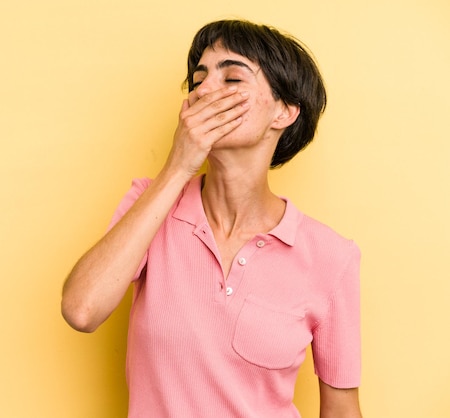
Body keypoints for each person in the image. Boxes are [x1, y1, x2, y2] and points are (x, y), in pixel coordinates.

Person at [62, 19, 362, 418]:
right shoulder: (150, 204)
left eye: (232, 78)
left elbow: (342, 410)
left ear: (285, 112)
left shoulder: (331, 258)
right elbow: (81, 310)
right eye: (198, 79)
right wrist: (177, 167)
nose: (203, 90)